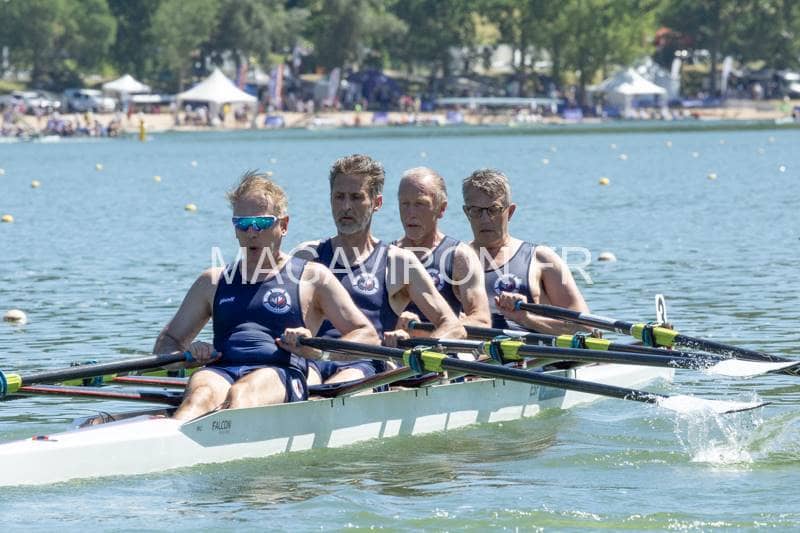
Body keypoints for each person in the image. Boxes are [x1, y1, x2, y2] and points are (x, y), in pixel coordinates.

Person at [154, 171, 379, 420]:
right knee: (199, 396)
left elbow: (367, 336)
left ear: (283, 226)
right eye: (242, 223)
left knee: (242, 393)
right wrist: (188, 356)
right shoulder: (212, 281)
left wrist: (319, 352)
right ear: (235, 229)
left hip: (280, 372)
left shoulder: (313, 277)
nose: (252, 232)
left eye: (262, 223)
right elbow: (167, 344)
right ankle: (174, 440)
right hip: (221, 370)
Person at [295, 154, 466, 383]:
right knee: (304, 385)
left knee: (328, 390)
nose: (346, 206)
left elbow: (452, 326)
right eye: (339, 197)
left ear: (377, 203)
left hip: (366, 365)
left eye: (356, 197)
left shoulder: (398, 262)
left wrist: (421, 352)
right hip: (312, 360)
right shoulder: (306, 255)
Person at [461, 168, 591, 334]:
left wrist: (527, 318)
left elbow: (585, 328)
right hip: (473, 348)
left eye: (494, 210)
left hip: (533, 349)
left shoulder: (542, 259)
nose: (485, 219)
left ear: (510, 212)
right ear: (466, 213)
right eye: (476, 211)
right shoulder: (451, 261)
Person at [394, 167, 490, 329]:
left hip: (442, 343)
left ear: (441, 208)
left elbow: (481, 321)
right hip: (394, 343)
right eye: (405, 204)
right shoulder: (387, 255)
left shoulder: (459, 256)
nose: (411, 213)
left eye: (420, 204)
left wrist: (426, 330)